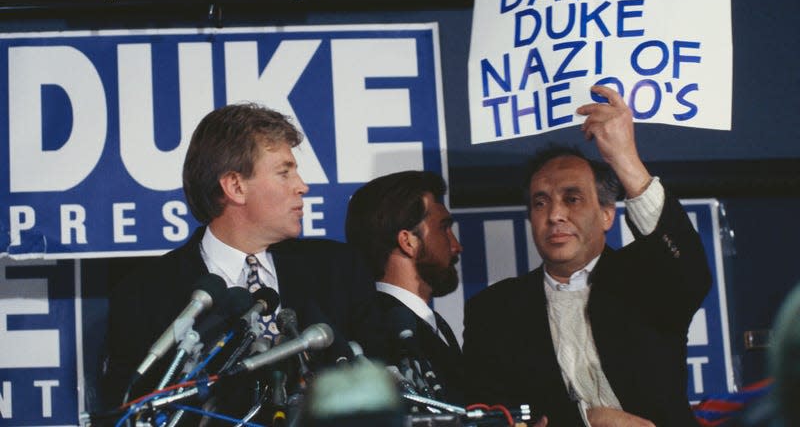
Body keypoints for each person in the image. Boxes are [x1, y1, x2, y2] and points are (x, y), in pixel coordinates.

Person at [102, 103, 378, 414]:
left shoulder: (338, 269)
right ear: (235, 186)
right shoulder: (144, 293)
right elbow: (127, 409)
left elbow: (385, 387)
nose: (302, 186)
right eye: (284, 173)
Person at [462, 85, 712, 427]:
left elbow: (691, 273)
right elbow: (490, 416)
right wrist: (586, 420)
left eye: (573, 198)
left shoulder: (645, 278)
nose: (555, 215)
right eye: (540, 202)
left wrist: (626, 159)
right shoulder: (494, 311)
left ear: (607, 214)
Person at [345, 170, 466, 404]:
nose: (456, 246)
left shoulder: (429, 324)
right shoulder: (381, 332)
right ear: (408, 241)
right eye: (444, 228)